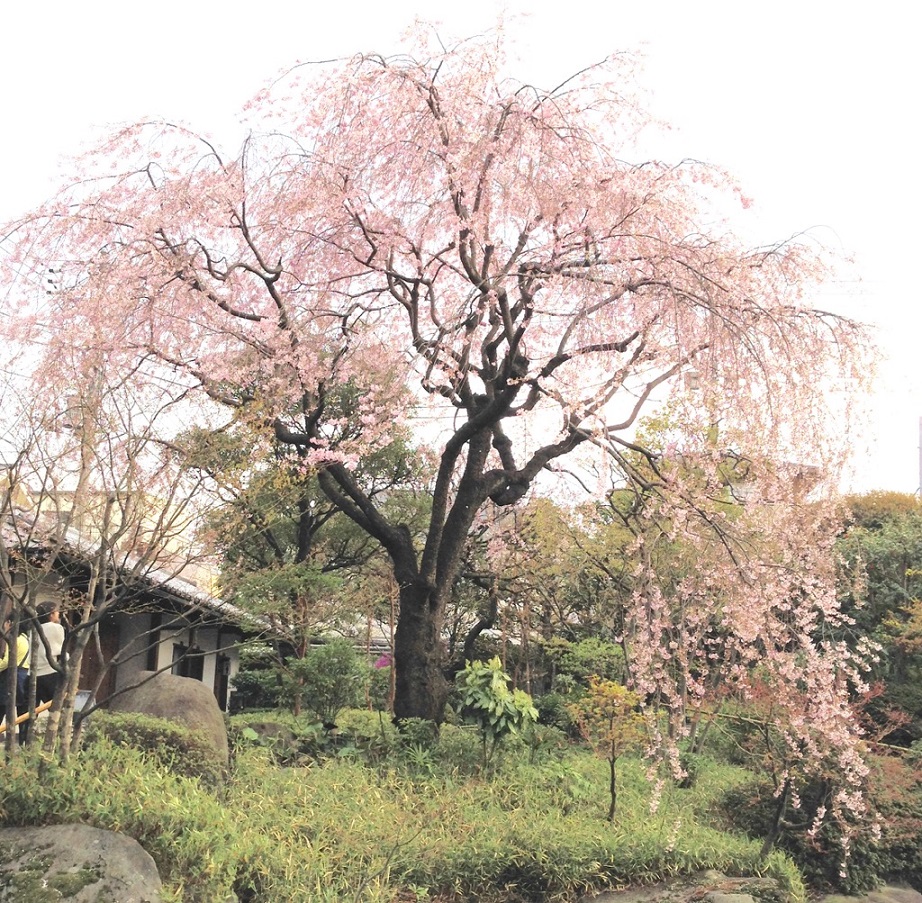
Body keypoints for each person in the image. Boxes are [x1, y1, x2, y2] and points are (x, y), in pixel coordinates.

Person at [0, 614, 31, 740]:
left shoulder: (14, 639)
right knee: (21, 710)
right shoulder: (25, 638)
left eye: (6, 623)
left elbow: (8, 661)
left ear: (10, 623)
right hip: (23, 675)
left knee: (2, 707)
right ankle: (23, 739)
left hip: (11, 675)